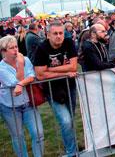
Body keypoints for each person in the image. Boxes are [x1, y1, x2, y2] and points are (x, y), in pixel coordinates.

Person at [33, 21, 78, 156]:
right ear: (48, 35)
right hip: (52, 90)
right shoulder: (42, 49)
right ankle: (71, 152)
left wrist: (51, 69)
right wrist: (64, 72)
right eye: (55, 33)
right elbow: (40, 75)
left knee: (70, 120)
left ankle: (71, 146)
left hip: (70, 87)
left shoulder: (69, 43)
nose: (59, 36)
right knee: (65, 121)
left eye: (61, 33)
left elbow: (73, 67)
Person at [0, 36, 44, 157]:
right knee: (18, 136)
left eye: (16, 47)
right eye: (11, 48)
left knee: (38, 133)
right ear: (3, 52)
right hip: (10, 107)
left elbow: (32, 75)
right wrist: (20, 65)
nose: (15, 50)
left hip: (28, 103)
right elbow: (14, 82)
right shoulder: (1, 68)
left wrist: (20, 83)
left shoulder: (25, 59)